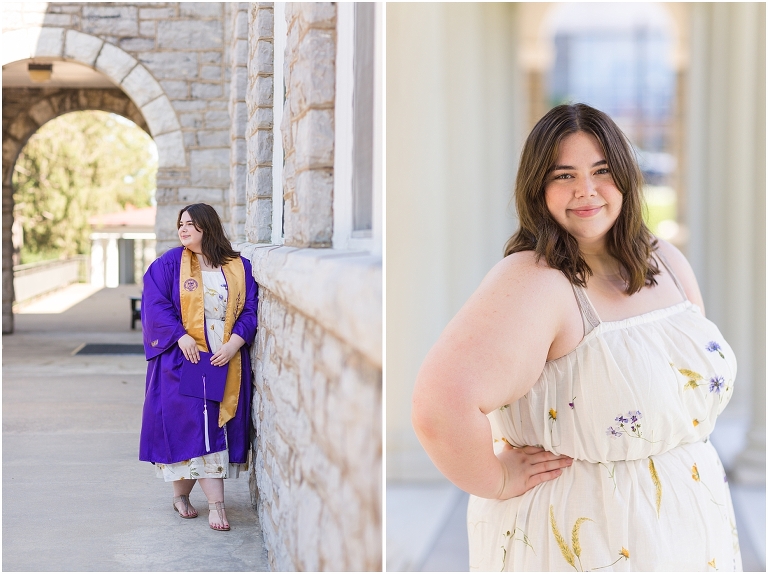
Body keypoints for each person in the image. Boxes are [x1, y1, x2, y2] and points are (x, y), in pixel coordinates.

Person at [412, 104, 741, 571]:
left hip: (690, 530)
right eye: (563, 175)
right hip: (592, 539)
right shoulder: (535, 281)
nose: (586, 190)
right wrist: (496, 480)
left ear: (625, 176)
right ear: (536, 188)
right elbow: (439, 408)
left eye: (602, 170)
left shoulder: (663, 260)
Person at [139, 203, 258, 532]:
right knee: (192, 427)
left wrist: (235, 342)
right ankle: (215, 506)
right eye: (180, 224)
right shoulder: (169, 264)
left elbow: (249, 308)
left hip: (224, 358)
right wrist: (180, 336)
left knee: (212, 426)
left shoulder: (237, 266)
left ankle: (186, 498)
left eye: (190, 224)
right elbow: (154, 304)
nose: (183, 229)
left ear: (208, 226)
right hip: (183, 360)